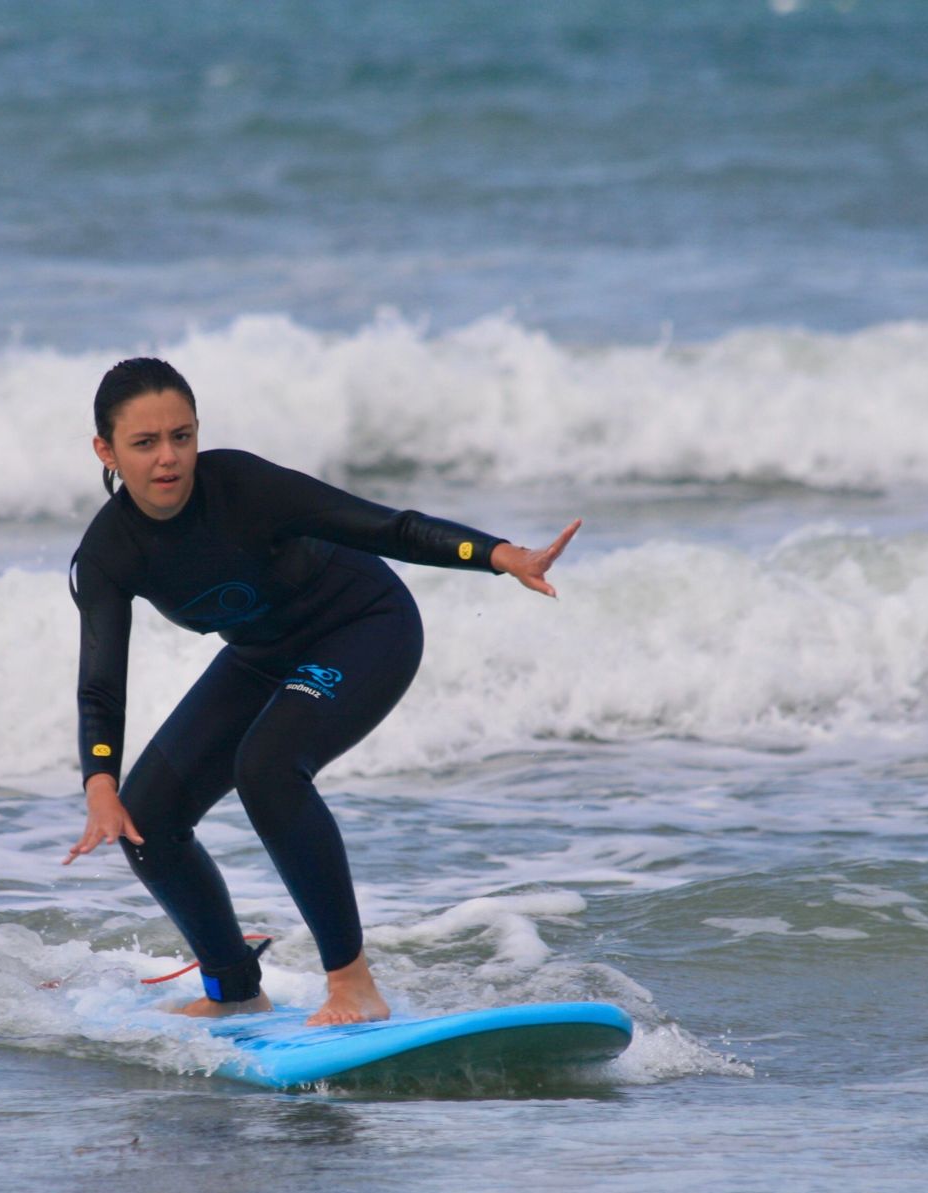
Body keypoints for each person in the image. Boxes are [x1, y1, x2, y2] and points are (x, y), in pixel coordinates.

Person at [62, 358, 578, 1025]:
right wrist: (97, 780)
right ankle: (234, 989)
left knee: (269, 768)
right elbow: (101, 677)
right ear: (106, 450)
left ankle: (354, 985)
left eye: (182, 436)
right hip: (264, 654)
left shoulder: (242, 486)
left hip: (364, 626)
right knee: (145, 818)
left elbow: (383, 526)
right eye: (145, 443)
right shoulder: (108, 553)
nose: (169, 458)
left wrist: (498, 554)